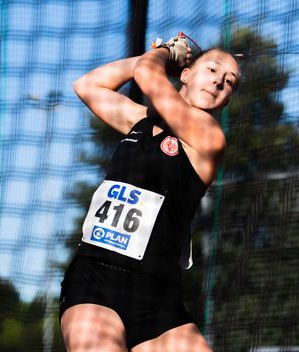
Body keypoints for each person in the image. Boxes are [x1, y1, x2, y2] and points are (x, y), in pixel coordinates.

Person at [60, 35, 240, 352]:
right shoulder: (140, 121)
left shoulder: (208, 135)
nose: (218, 82)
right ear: (185, 73)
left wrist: (161, 54)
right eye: (212, 70)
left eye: (229, 83)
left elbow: (147, 75)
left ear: (226, 101)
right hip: (94, 282)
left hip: (158, 296)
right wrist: (158, 57)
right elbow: (88, 86)